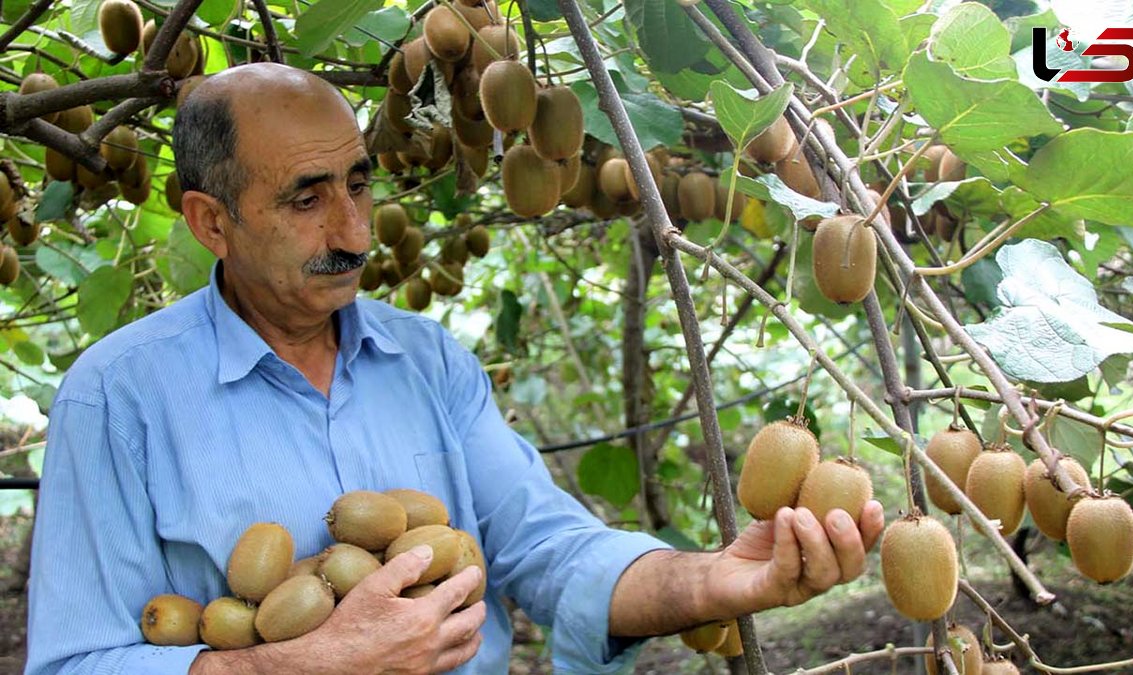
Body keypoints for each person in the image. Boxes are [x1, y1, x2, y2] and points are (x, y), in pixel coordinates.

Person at [24, 63, 884, 674]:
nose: (356, 232)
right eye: (307, 197)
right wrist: (300, 665)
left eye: (359, 184)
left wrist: (715, 577)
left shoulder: (430, 362)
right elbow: (75, 661)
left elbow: (550, 549)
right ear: (212, 222)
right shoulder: (116, 397)